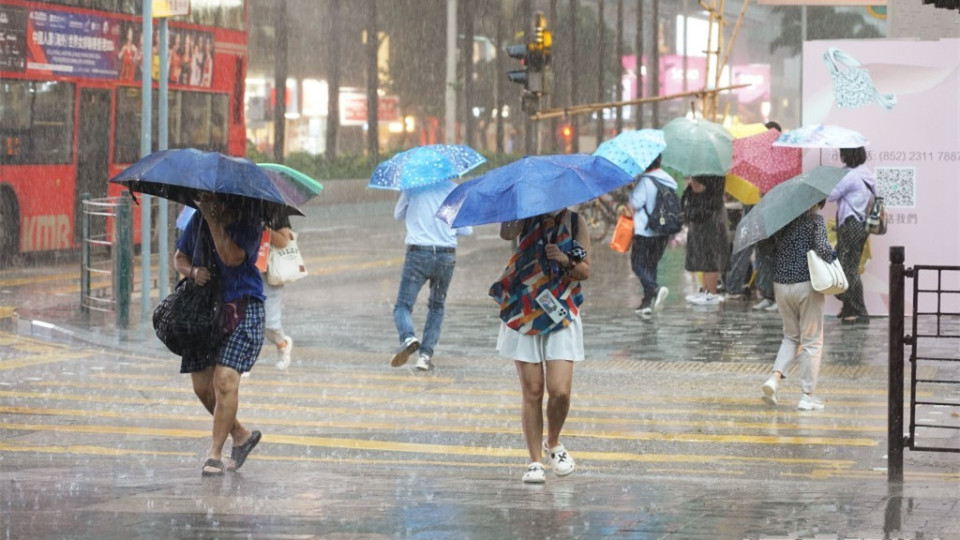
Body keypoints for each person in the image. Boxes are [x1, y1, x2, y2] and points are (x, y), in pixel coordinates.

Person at [491, 209, 590, 484]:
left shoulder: (574, 222)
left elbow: (585, 270)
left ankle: (553, 442)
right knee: (532, 390)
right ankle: (535, 461)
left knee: (559, 391)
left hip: (562, 309)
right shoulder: (523, 216)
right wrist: (517, 206)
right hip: (524, 308)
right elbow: (506, 233)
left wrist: (564, 258)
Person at [174, 193, 265, 477]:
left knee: (224, 381)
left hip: (242, 307)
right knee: (203, 388)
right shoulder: (198, 220)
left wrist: (213, 220)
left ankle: (214, 453)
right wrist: (193, 271)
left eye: (217, 199)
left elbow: (232, 257)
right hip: (204, 312)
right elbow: (180, 257)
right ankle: (241, 435)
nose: (211, 202)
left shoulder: (250, 220)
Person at [389, 181, 473, 371]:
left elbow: (397, 215)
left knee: (403, 305)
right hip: (446, 255)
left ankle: (408, 337)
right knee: (436, 306)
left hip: (418, 253)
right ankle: (425, 356)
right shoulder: (454, 190)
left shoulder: (413, 187)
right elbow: (466, 230)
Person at [761, 201, 834, 411]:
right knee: (812, 340)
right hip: (807, 284)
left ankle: (774, 379)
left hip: (781, 284)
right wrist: (833, 254)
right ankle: (806, 396)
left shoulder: (780, 221)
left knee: (790, 336)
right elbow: (822, 248)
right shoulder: (815, 221)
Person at [624, 154, 676, 319]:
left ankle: (655, 290)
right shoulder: (669, 180)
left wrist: (631, 192)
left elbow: (635, 203)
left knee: (637, 264)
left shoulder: (645, 181)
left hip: (645, 231)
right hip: (662, 231)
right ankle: (646, 303)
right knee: (651, 266)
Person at [828, 146, 874, 325]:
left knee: (848, 269)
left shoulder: (850, 176)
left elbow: (831, 195)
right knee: (845, 266)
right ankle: (848, 306)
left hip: (850, 223)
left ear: (847, 155)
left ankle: (859, 311)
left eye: (842, 152)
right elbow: (871, 200)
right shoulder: (866, 174)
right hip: (861, 224)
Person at [681, 175, 729, 306]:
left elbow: (698, 188)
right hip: (708, 215)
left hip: (707, 217)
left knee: (709, 256)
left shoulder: (708, 173)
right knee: (705, 255)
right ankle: (707, 291)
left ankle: (711, 294)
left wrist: (693, 182)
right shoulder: (717, 171)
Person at [262, 215, 295, 370]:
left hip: (269, 273)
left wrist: (263, 229)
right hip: (245, 271)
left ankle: (282, 344)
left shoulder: (275, 208)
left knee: (269, 322)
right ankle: (242, 363)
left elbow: (283, 241)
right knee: (242, 318)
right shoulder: (239, 205)